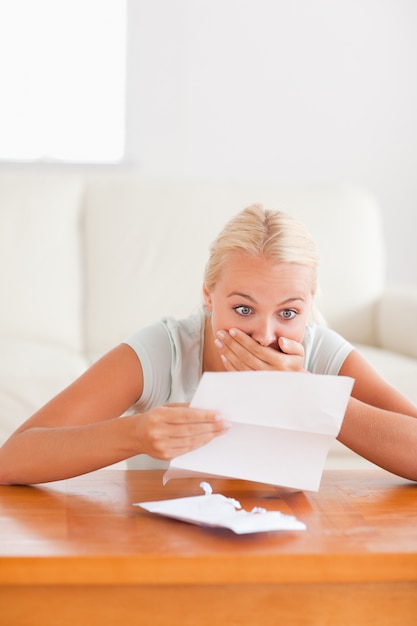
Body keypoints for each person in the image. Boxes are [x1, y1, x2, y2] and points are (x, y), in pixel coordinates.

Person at [0, 204, 416, 485]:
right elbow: (12, 458)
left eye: (288, 313)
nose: (265, 335)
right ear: (208, 297)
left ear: (310, 308)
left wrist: (314, 394)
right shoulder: (166, 350)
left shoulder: (320, 353)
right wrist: (134, 435)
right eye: (242, 309)